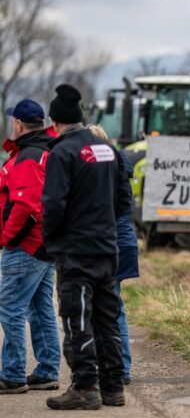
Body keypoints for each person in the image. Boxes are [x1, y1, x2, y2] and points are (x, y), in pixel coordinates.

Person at [42, 85, 132, 410]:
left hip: (76, 253)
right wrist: (104, 223)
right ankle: (112, 387)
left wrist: (51, 240)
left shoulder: (61, 152)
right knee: (107, 319)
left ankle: (84, 388)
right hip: (107, 249)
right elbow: (125, 200)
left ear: (55, 122)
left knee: (78, 319)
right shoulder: (106, 148)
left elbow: (52, 205)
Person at [0, 100, 60, 394]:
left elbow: (25, 205)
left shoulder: (28, 157)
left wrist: (5, 239)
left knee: (11, 308)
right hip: (46, 245)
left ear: (19, 125)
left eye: (13, 121)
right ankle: (47, 369)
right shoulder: (47, 152)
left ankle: (12, 374)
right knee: (40, 308)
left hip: (26, 245)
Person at [87, 124, 139, 385]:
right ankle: (121, 367)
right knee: (114, 307)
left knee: (107, 308)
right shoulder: (121, 167)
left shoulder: (102, 171)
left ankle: (117, 367)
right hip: (123, 242)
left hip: (109, 244)